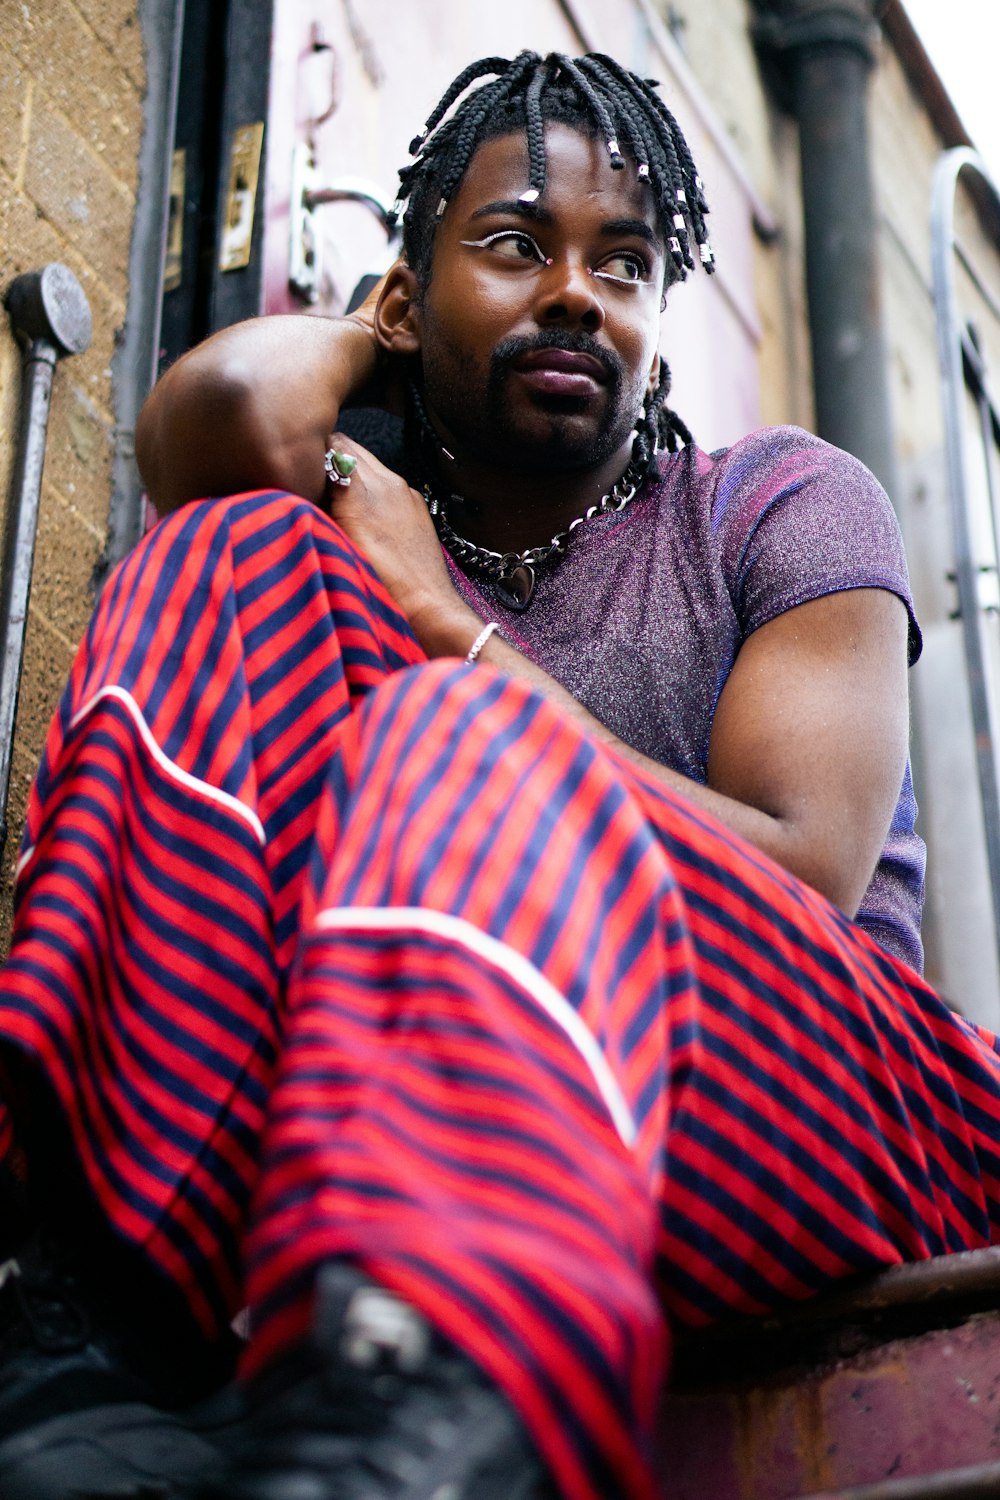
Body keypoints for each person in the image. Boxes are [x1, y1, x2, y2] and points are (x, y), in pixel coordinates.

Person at [0, 48, 999, 1500]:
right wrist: (359, 344)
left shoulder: (776, 499)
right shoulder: (362, 509)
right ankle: (102, 1317)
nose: (579, 293)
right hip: (457, 1128)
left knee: (452, 738)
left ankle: (425, 1410)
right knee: (229, 547)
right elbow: (210, 429)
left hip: (832, 1107)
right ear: (407, 298)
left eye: (629, 262)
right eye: (519, 245)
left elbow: (808, 870)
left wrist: (453, 639)